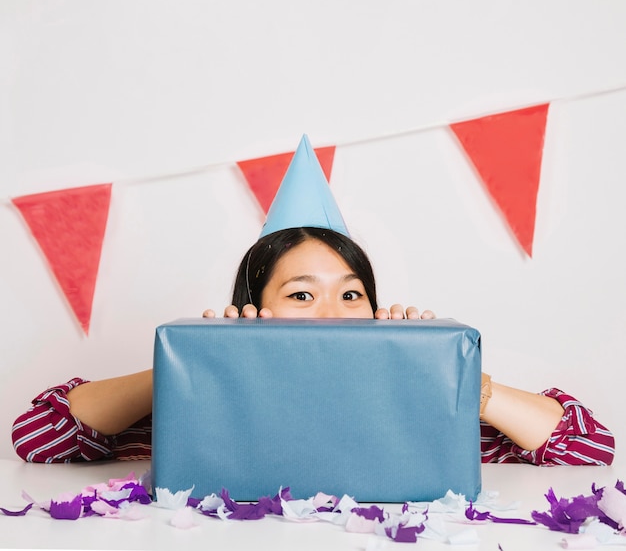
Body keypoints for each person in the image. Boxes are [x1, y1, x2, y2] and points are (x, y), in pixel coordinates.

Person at [11, 137, 615, 466]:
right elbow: (40, 435)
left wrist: (451, 374)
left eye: (351, 294)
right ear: (255, 306)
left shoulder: (418, 407)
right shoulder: (200, 412)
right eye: (301, 293)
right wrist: (197, 361)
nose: (333, 312)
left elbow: (589, 444)